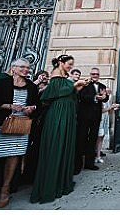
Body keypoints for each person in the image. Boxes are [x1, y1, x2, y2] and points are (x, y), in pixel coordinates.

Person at [0, 59, 36, 208]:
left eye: (27, 67)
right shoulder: (2, 82)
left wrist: (32, 108)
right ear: (14, 68)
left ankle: (5, 190)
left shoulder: (31, 86)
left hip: (21, 124)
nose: (25, 70)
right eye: (22, 67)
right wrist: (10, 106)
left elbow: (38, 104)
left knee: (13, 155)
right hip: (1, 123)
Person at [30, 55, 83, 203]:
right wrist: (75, 84)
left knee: (65, 145)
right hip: (58, 113)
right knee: (56, 145)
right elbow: (55, 94)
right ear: (61, 62)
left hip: (67, 112)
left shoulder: (65, 76)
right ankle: (49, 186)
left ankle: (61, 181)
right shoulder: (55, 75)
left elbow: (68, 94)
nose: (70, 67)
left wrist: (77, 87)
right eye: (69, 64)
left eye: (72, 65)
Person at [75, 67, 108, 172]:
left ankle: (89, 163)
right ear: (90, 74)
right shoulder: (85, 84)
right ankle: (77, 165)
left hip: (96, 117)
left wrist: (104, 97)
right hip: (84, 116)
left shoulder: (102, 86)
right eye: (93, 74)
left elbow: (106, 98)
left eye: (97, 74)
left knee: (93, 140)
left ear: (99, 75)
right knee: (81, 139)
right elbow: (82, 96)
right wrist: (95, 97)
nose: (95, 75)